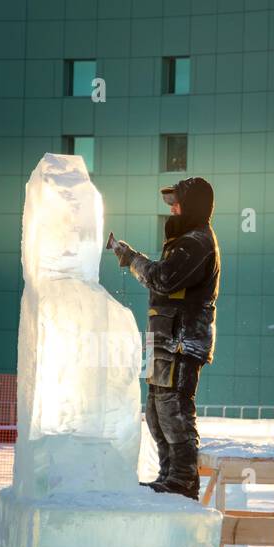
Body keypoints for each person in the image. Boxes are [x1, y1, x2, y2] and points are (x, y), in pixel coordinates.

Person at [109, 176, 220, 499]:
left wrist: (132, 259)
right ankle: (169, 475)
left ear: (194, 204)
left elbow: (164, 278)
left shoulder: (196, 242)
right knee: (157, 413)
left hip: (181, 340)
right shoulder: (185, 240)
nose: (172, 207)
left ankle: (183, 479)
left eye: (177, 201)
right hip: (164, 339)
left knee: (174, 410)